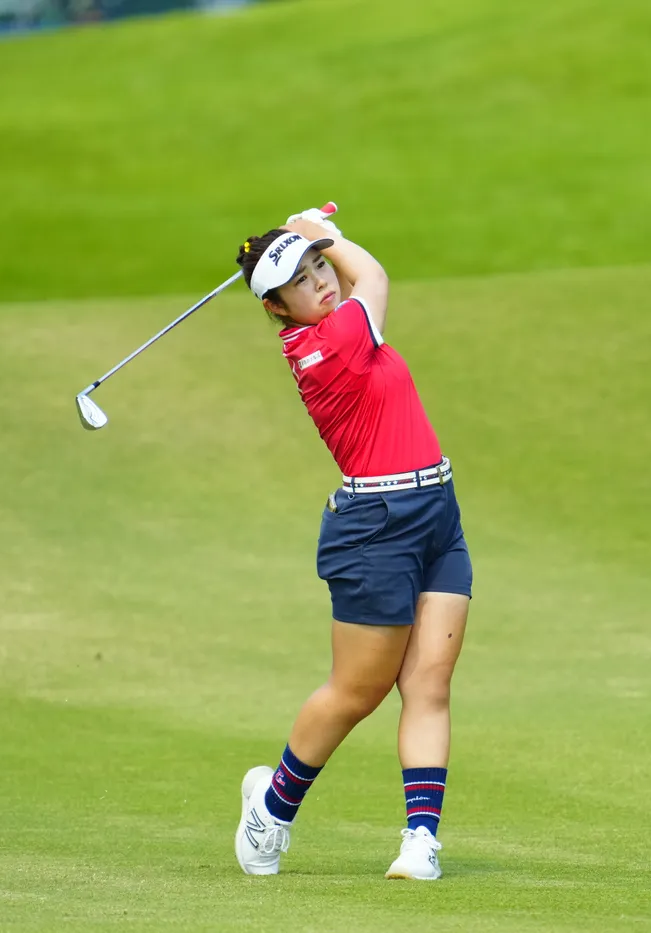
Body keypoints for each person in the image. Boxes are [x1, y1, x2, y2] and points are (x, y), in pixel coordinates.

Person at [230, 206, 472, 880]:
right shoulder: (326, 345)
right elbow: (374, 276)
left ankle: (420, 840)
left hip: (436, 511)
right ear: (277, 308)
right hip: (377, 526)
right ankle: (271, 810)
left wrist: (312, 239)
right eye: (302, 281)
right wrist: (323, 233)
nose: (322, 281)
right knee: (357, 692)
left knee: (429, 682)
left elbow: (359, 284)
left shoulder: (340, 326)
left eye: (318, 268)